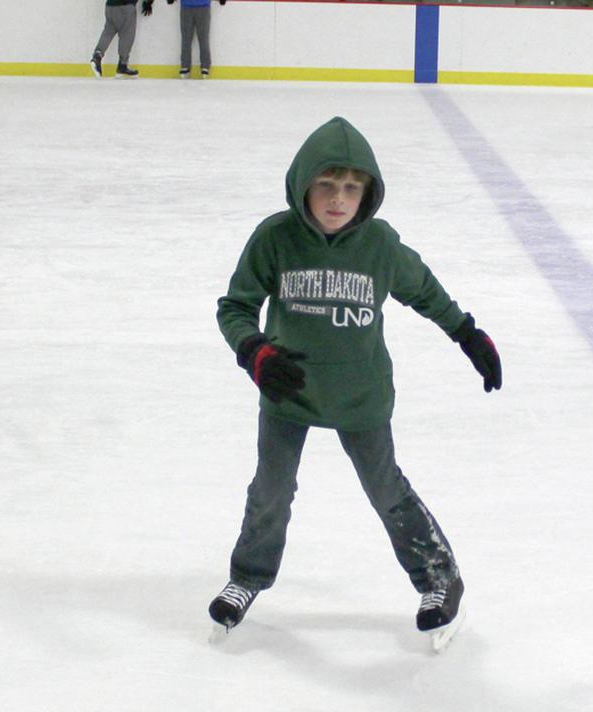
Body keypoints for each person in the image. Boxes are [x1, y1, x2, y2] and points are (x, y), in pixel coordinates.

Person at [210, 116, 501, 647]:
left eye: (351, 187)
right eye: (325, 184)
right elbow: (235, 307)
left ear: (367, 192)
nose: (338, 199)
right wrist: (255, 352)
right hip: (287, 391)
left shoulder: (380, 246)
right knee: (271, 489)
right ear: (303, 184)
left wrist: (467, 334)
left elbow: (425, 291)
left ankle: (440, 579)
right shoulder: (275, 238)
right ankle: (247, 577)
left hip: (360, 394)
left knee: (385, 489)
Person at [90, 0, 153, 79]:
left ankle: (97, 57)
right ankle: (122, 65)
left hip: (110, 6)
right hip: (125, 7)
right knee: (127, 35)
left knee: (108, 32)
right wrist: (149, 2)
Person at [166, 0, 226, 78]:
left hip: (203, 6)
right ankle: (185, 65)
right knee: (186, 38)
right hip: (186, 7)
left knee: (203, 38)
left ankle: (205, 66)